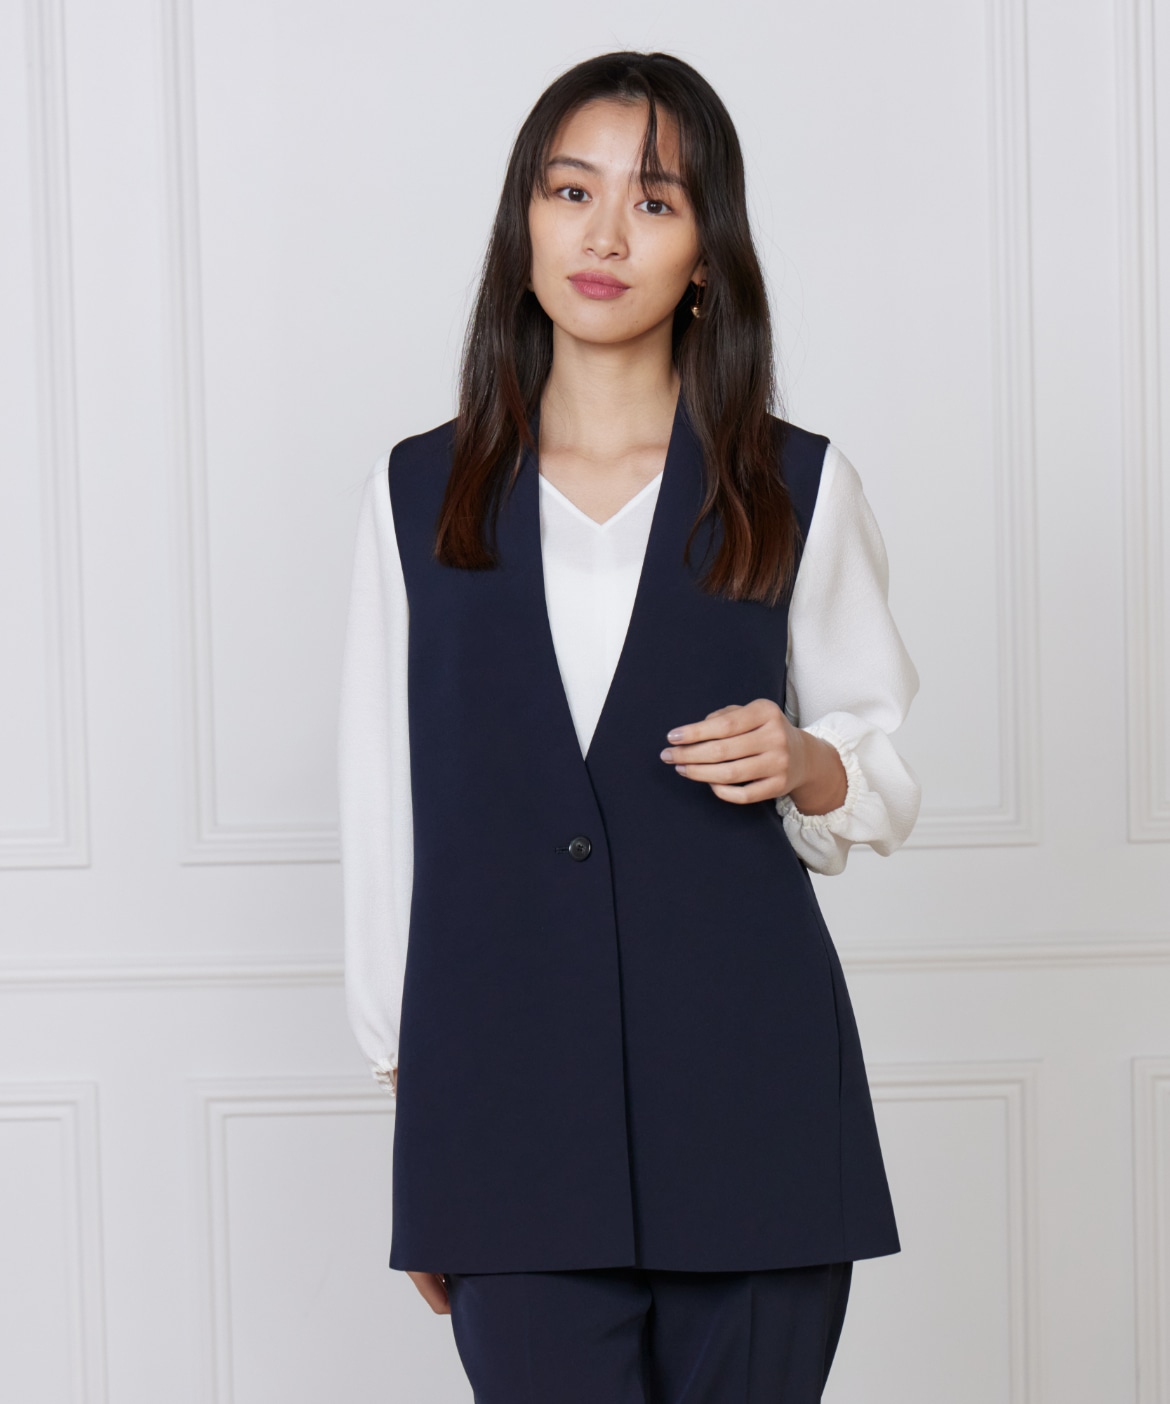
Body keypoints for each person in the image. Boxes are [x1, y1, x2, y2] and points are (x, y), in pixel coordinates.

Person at [339, 49, 920, 1404]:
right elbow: (384, 809)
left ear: (706, 252)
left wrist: (806, 760)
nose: (604, 235)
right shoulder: (419, 492)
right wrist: (424, 1122)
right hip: (505, 1110)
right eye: (571, 192)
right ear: (524, 224)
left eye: (654, 202)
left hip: (753, 1098)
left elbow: (880, 771)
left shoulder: (795, 485)